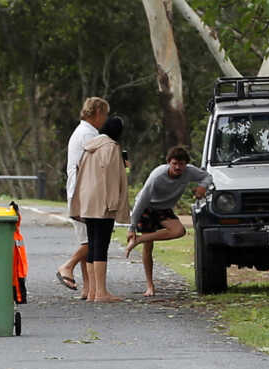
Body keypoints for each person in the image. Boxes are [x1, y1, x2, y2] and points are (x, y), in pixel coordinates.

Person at [125, 147, 203, 297]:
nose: (178, 167)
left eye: (181, 164)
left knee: (179, 231)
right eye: (174, 164)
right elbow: (141, 201)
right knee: (148, 248)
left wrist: (202, 187)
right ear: (169, 163)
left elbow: (207, 176)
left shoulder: (190, 171)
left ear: (186, 164)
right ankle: (150, 286)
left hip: (163, 207)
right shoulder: (157, 176)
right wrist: (132, 227)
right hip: (147, 206)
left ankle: (139, 240)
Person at [69, 114, 129, 302]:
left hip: (88, 202)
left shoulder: (90, 147)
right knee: (101, 245)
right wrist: (114, 204)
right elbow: (112, 178)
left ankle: (93, 291)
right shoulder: (111, 148)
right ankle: (101, 292)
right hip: (103, 202)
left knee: (93, 245)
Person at [55, 95, 110, 292]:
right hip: (83, 194)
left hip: (77, 192)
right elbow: (95, 165)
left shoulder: (83, 131)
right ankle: (67, 266)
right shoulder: (89, 135)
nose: (105, 118)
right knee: (93, 240)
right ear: (97, 113)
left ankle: (89, 288)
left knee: (86, 240)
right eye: (104, 113)